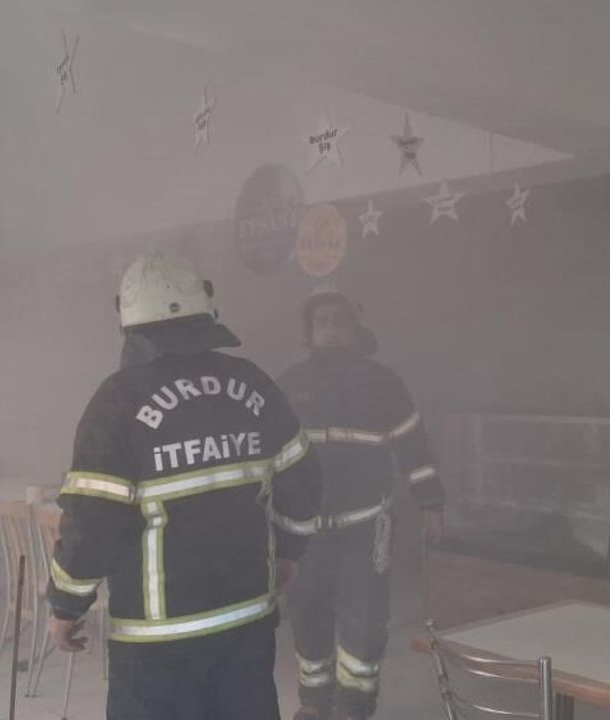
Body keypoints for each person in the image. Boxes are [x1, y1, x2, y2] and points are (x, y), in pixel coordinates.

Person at [46, 252, 324, 720]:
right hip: (247, 622)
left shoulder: (117, 402)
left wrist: (66, 606)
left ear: (128, 323)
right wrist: (290, 552)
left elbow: (92, 523)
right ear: (206, 308)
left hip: (158, 642)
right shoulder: (252, 384)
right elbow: (304, 478)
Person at [277, 287, 446, 720]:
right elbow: (269, 456)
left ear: (356, 329)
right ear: (309, 332)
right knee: (308, 618)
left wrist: (430, 502)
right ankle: (314, 705)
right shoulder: (290, 385)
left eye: (340, 320)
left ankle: (354, 708)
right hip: (305, 533)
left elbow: (412, 445)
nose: (331, 328)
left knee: (365, 623)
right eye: (322, 321)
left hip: (366, 529)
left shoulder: (382, 382)